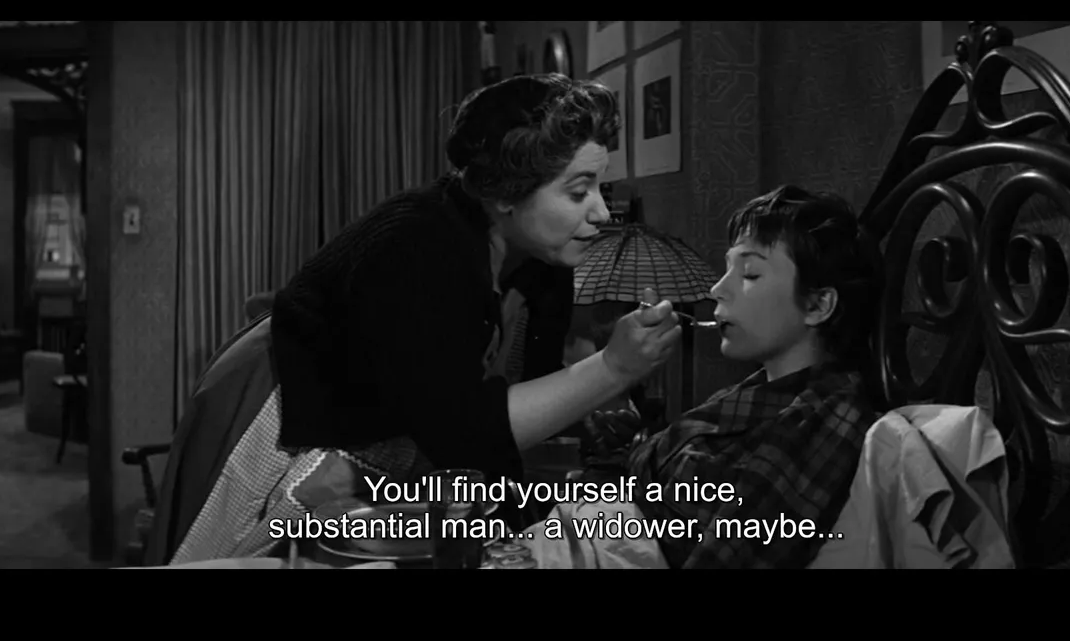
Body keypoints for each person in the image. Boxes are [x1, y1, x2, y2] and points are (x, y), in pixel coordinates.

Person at [146, 74, 682, 565]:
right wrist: (611, 368)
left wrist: (583, 405)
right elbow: (464, 434)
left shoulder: (546, 262)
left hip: (388, 444)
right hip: (288, 416)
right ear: (505, 191)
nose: (601, 213)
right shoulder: (418, 248)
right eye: (578, 191)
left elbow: (508, 410)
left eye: (599, 187)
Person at [626, 185, 886, 569]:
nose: (717, 289)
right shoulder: (753, 392)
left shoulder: (827, 421)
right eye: (728, 268)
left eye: (749, 273)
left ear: (818, 304)